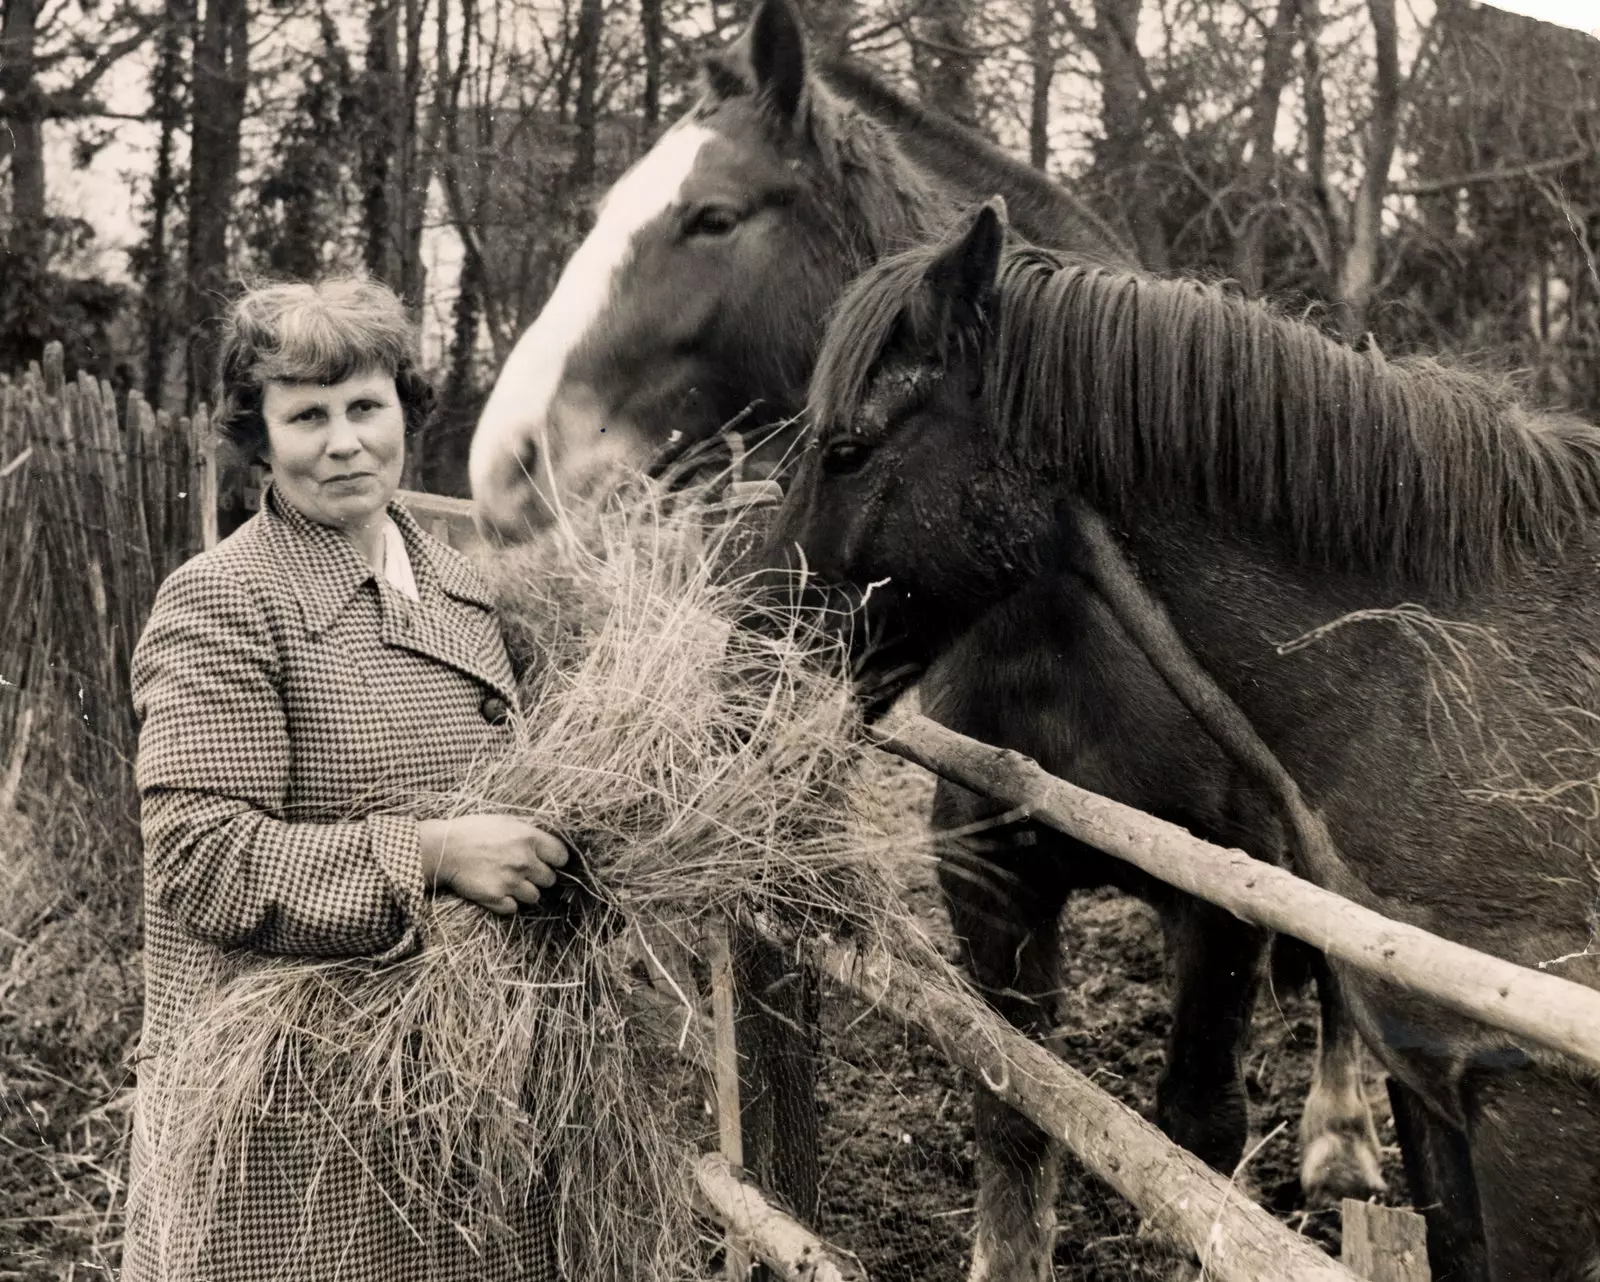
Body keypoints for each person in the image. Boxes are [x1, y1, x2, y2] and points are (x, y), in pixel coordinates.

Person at [123, 276, 566, 1281]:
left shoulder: (469, 588)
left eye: (366, 407)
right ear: (259, 434)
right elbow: (203, 857)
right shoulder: (223, 602)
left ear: (406, 410)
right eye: (306, 415)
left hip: (455, 1092)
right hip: (295, 1114)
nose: (344, 442)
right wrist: (435, 854)